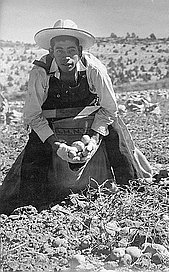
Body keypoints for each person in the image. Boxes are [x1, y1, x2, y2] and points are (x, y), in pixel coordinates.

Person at [0, 19, 152, 214]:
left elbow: (109, 109)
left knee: (115, 129)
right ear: (51, 52)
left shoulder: (95, 70)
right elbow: (33, 116)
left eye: (71, 50)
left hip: (88, 117)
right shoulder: (40, 73)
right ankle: (30, 203)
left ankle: (132, 187)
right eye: (60, 51)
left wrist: (95, 137)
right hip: (53, 122)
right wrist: (56, 145)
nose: (66, 57)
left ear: (80, 51)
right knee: (35, 147)